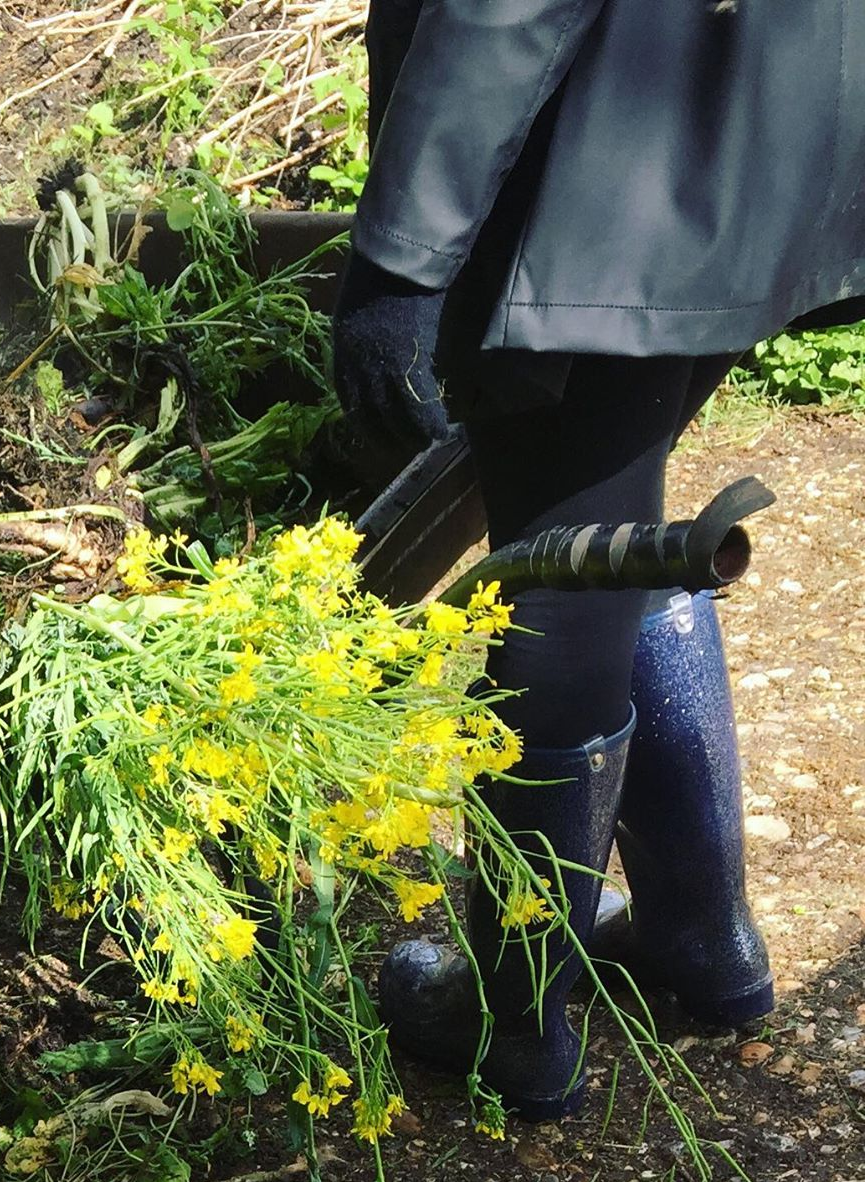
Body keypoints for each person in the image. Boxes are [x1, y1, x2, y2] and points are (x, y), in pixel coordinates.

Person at [331, 0, 865, 1119]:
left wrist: (401, 258)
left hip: (595, 165)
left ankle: (515, 1021)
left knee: (554, 577)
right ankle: (695, 936)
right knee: (613, 534)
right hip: (758, 119)